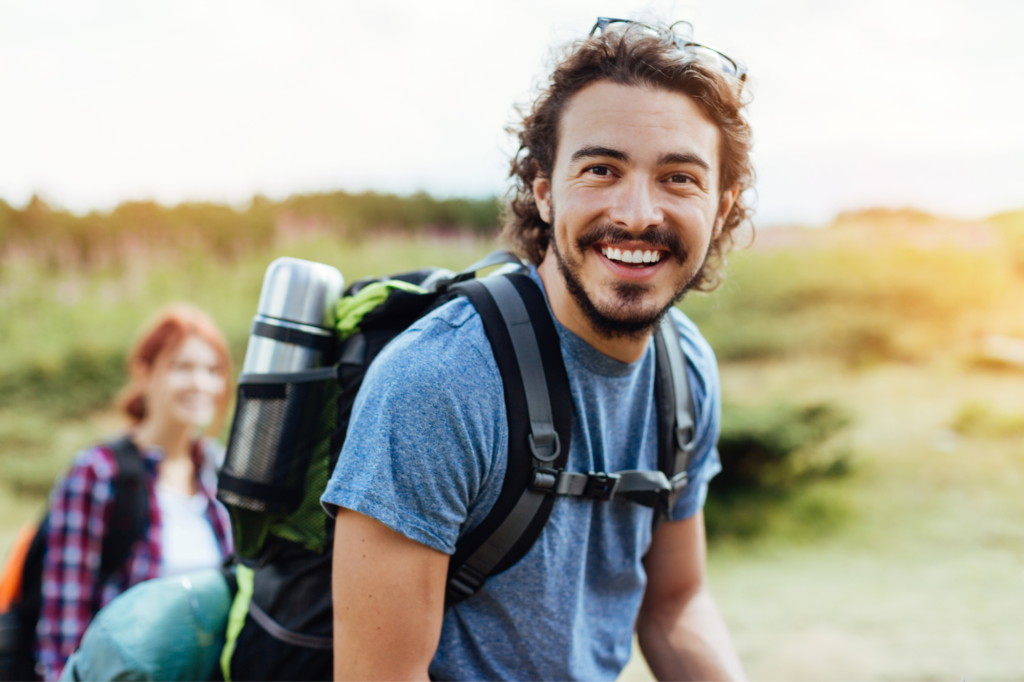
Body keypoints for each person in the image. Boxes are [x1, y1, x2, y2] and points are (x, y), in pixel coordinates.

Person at [321, 17, 753, 681]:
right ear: (546, 194)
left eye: (679, 178)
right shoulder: (440, 381)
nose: (638, 213)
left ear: (721, 208)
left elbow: (675, 604)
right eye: (601, 169)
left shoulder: (685, 369)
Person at [34, 304, 234, 681]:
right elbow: (65, 620)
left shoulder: (220, 470)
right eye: (182, 367)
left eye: (213, 371)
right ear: (145, 373)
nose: (201, 383)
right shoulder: (98, 473)